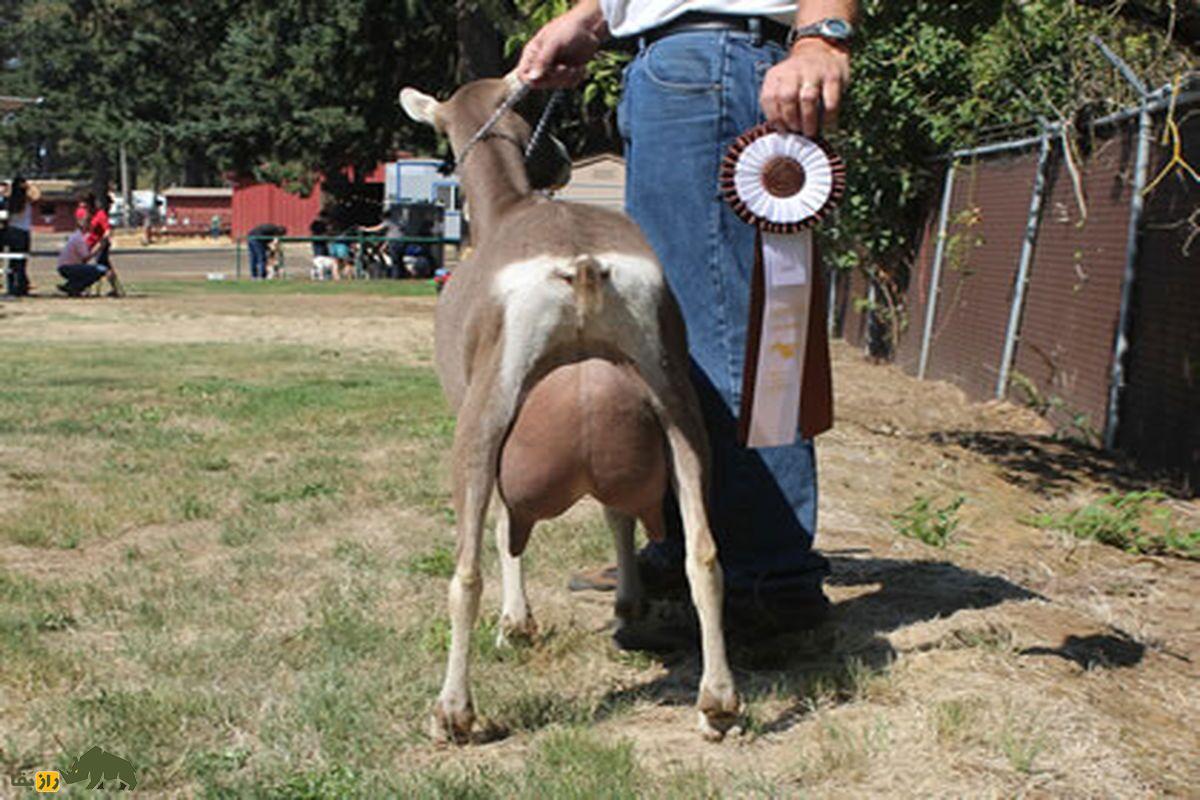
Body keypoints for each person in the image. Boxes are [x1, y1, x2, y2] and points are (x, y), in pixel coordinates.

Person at [518, 0, 857, 641]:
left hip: (710, 64)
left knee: (722, 337)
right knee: (672, 342)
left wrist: (821, 36)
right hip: (671, 65)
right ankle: (687, 551)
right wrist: (592, 18)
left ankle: (766, 583)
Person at [57, 210, 113, 296]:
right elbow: (85, 258)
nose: (90, 225)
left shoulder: (77, 235)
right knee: (100, 270)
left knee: (91, 269)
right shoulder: (79, 238)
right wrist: (99, 247)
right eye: (88, 223)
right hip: (68, 268)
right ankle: (74, 287)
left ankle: (71, 285)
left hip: (65, 267)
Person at [2, 176, 39, 297]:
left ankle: (12, 286)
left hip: (11, 231)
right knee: (21, 262)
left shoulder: (10, 200)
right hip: (22, 232)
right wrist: (30, 185)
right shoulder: (26, 199)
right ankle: (20, 287)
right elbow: (37, 195)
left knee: (13, 261)